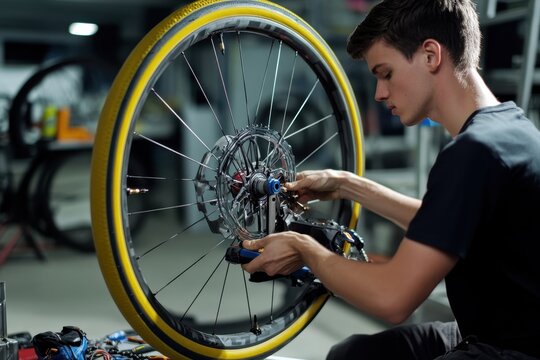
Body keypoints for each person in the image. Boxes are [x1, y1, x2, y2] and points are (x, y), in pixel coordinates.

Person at [242, 0, 540, 359]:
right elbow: (445, 224)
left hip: (514, 348)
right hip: (499, 327)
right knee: (353, 355)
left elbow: (392, 299)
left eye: (386, 73)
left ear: (431, 55)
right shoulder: (510, 127)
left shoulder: (475, 150)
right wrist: (344, 185)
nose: (381, 93)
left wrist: (305, 250)